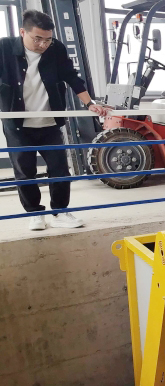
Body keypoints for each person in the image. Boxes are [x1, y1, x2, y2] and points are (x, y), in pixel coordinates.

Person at [0, 10, 111, 230]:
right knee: (25, 172)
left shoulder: (56, 49)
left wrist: (90, 103)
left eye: (47, 39)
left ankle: (59, 212)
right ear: (22, 32)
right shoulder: (4, 48)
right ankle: (35, 213)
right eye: (37, 39)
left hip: (50, 123)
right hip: (18, 124)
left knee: (59, 170)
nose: (43, 44)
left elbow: (72, 77)